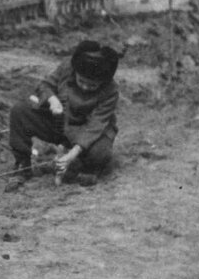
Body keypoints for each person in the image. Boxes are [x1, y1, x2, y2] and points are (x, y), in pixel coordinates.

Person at [8, 40, 121, 188]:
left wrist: (71, 155)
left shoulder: (111, 90)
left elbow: (95, 125)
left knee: (100, 151)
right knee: (20, 111)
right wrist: (52, 99)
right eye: (82, 81)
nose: (86, 88)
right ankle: (23, 165)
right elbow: (45, 85)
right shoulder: (67, 67)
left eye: (92, 85)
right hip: (59, 123)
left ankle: (90, 168)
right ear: (75, 72)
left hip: (86, 131)